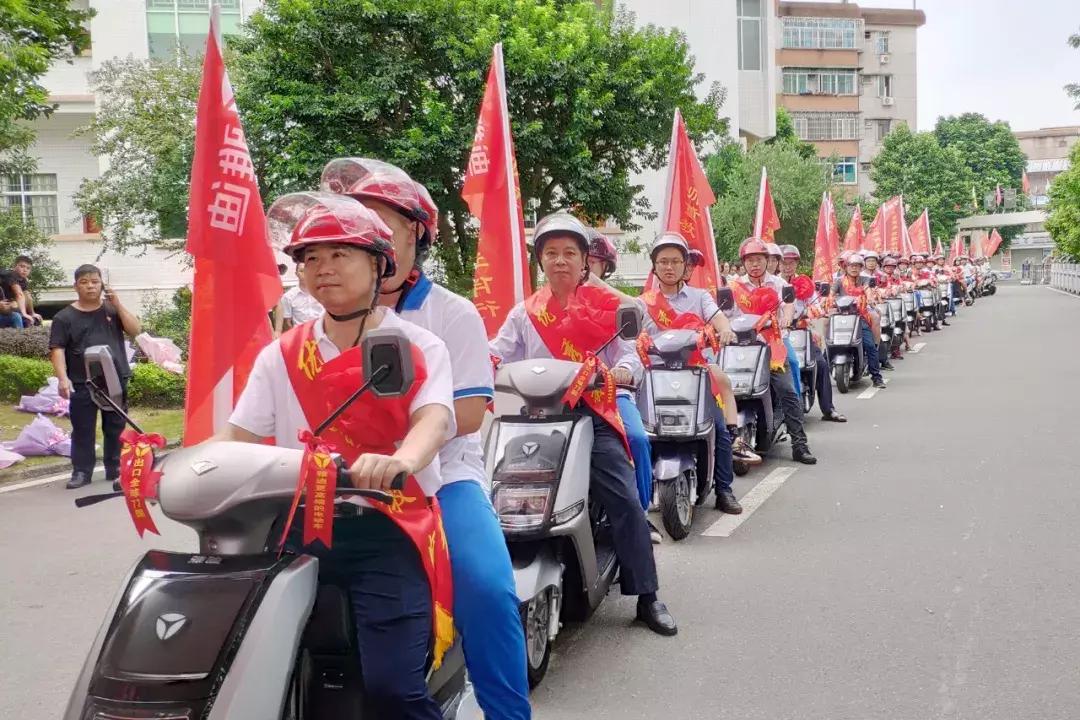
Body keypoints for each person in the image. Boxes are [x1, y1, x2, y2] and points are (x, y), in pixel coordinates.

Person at [223, 192, 453, 719]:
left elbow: (434, 420)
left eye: (339, 255)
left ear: (378, 265)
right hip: (292, 530)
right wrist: (175, 468)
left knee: (394, 690)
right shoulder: (281, 354)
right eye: (310, 259)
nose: (321, 269)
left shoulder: (416, 346)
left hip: (387, 529)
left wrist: (400, 461)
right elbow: (237, 438)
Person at [320, 157, 532, 717]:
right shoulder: (307, 313)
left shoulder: (451, 314)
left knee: (486, 591)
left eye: (381, 224)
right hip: (332, 484)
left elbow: (465, 416)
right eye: (351, 229)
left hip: (442, 482)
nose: (367, 238)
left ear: (415, 230)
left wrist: (393, 447)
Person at [489, 211, 677, 636]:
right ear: (541, 261)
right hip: (532, 418)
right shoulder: (525, 313)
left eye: (569, 253)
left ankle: (647, 595)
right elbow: (496, 352)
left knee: (625, 498)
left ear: (584, 261)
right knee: (497, 496)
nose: (560, 261)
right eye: (550, 253)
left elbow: (629, 355)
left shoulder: (606, 307)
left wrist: (624, 373)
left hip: (591, 414)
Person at [641, 233, 760, 515]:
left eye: (675, 261)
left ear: (685, 266)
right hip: (656, 378)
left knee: (716, 428)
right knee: (640, 432)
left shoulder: (700, 297)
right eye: (663, 262)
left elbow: (718, 317)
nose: (669, 267)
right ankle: (640, 493)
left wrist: (725, 329)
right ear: (654, 267)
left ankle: (724, 490)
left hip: (695, 373)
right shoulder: (644, 302)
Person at [582, 228, 661, 542]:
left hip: (609, 394)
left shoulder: (618, 306)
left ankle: (641, 515)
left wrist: (621, 373)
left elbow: (633, 346)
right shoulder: (542, 307)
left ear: (605, 267)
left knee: (638, 439)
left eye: (590, 261)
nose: (582, 267)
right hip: (557, 401)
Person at [49, 265, 142, 489]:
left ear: (102, 284)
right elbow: (57, 349)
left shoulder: (111, 311)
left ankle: (116, 468)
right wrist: (63, 378)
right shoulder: (64, 317)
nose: (90, 286)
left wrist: (118, 305)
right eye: (84, 282)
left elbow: (135, 330)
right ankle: (81, 471)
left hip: (114, 378)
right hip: (83, 382)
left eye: (95, 281)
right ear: (75, 286)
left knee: (115, 426)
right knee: (82, 428)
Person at [733, 238, 817, 464]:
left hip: (774, 346)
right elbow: (724, 316)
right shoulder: (735, 287)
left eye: (759, 259)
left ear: (767, 260)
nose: (755, 264)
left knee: (788, 390)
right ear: (743, 263)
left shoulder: (779, 285)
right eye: (750, 260)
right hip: (741, 349)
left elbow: (788, 305)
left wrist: (787, 319)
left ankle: (799, 444)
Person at [778, 245, 846, 423]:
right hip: (778, 336)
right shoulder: (774, 284)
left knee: (822, 364)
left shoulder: (804, 284)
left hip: (801, 332)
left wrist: (812, 312)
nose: (787, 267)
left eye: (790, 263)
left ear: (796, 264)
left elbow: (815, 304)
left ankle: (828, 409)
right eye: (784, 263)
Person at [831, 253, 886, 390]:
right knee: (830, 339)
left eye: (857, 266)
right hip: (841, 317)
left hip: (860, 316)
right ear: (846, 267)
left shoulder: (865, 279)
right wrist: (827, 301)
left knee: (870, 346)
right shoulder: (838, 281)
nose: (854, 268)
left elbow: (868, 291)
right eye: (851, 265)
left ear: (861, 268)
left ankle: (876, 377)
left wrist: (870, 298)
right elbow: (830, 295)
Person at [276, 262, 324, 334]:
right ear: (296, 274)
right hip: (300, 335)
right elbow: (287, 322)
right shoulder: (289, 296)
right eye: (301, 271)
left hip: (322, 334)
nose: (305, 273)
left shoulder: (323, 293)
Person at [10, 255, 42, 325]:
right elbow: (19, 294)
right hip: (6, 304)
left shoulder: (24, 280)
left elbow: (27, 296)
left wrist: (32, 313)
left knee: (27, 293)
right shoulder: (11, 275)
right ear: (14, 266)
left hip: (15, 304)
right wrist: (24, 314)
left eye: (28, 268)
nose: (25, 270)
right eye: (22, 266)